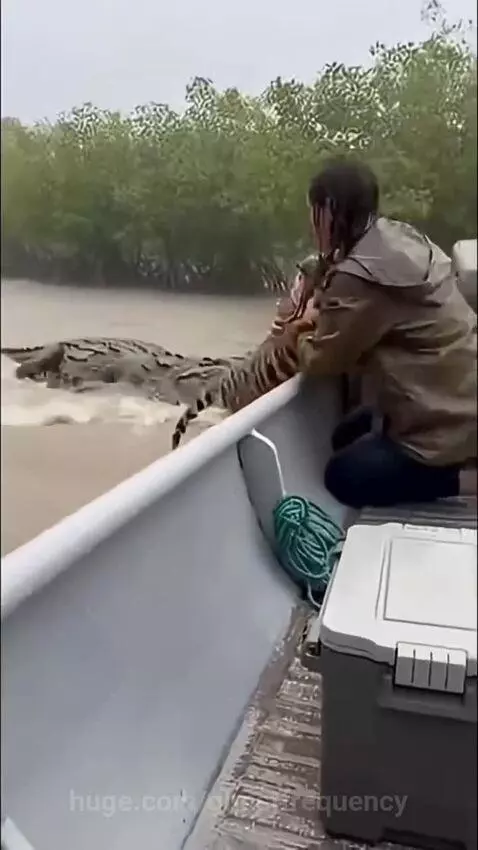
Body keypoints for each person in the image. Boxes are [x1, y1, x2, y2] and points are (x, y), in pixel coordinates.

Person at [291, 158, 477, 509]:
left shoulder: (358, 277)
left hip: (442, 421)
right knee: (348, 432)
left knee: (343, 476)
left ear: (329, 211)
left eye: (313, 212)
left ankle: (463, 479)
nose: (311, 224)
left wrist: (299, 329)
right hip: (463, 396)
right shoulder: (400, 236)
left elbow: (322, 360)